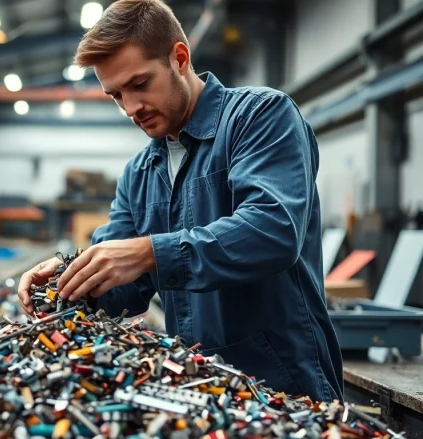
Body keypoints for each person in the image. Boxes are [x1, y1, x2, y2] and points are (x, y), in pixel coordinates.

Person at [17, 0, 343, 401]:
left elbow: (272, 230)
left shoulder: (259, 117)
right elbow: (124, 288)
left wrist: (150, 253)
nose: (131, 109)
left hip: (285, 387)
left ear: (180, 58)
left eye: (139, 84)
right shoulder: (140, 172)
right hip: (196, 388)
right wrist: (69, 280)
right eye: (116, 95)